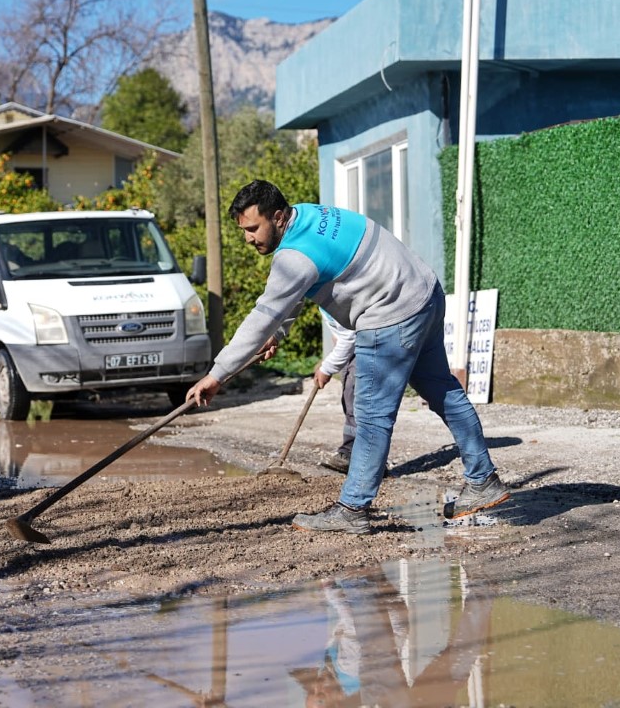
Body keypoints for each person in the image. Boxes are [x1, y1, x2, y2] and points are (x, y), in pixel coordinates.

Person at [186, 179, 510, 534]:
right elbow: (299, 288)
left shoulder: (293, 256)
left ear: (277, 217)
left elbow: (263, 314)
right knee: (443, 391)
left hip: (389, 314)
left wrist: (217, 374)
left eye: (252, 228)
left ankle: (353, 509)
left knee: (371, 416)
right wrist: (277, 333)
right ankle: (483, 479)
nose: (248, 238)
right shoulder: (310, 215)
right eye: (244, 231)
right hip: (425, 294)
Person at [317, 311, 357, 474]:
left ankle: (368, 459)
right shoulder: (323, 305)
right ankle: (349, 451)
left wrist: (327, 368)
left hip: (364, 347)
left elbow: (349, 337)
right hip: (350, 350)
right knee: (348, 399)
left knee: (357, 401)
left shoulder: (336, 299)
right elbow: (339, 334)